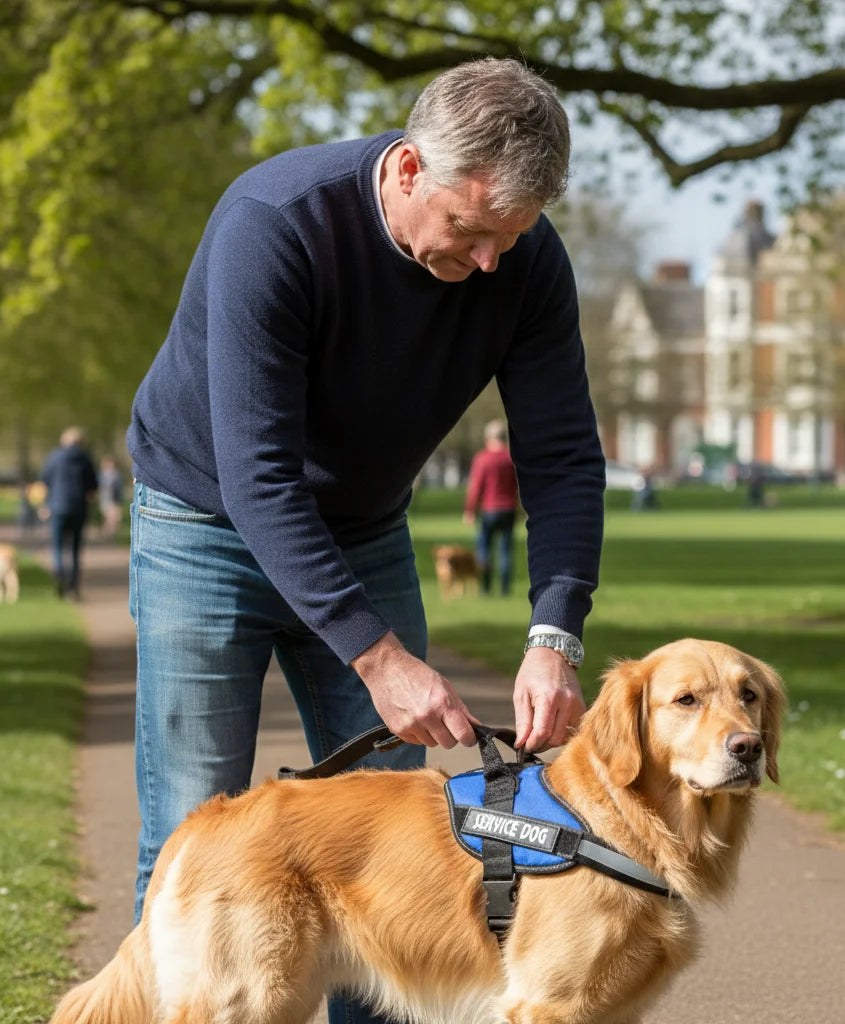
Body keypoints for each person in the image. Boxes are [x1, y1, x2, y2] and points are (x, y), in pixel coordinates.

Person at [126, 57, 604, 1024]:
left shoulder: (525, 262)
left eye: (510, 237)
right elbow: (260, 476)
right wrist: (378, 658)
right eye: (469, 230)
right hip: (203, 524)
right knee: (191, 828)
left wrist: (554, 635)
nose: (489, 264)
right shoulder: (276, 224)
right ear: (408, 169)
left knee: (390, 855)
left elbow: (561, 456)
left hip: (365, 527)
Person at [463, 418, 520, 595]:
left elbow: (476, 487)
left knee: (484, 549)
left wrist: (470, 510)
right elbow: (517, 486)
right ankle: (504, 589)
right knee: (505, 550)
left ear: (488, 438)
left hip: (489, 509)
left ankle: (486, 587)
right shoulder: (511, 458)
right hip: (508, 509)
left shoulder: (482, 459)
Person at [40, 427, 98, 598]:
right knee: (75, 548)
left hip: (57, 507)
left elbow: (45, 481)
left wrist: (45, 505)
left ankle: (59, 573)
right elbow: (93, 486)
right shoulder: (85, 459)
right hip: (78, 508)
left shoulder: (54, 457)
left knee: (58, 546)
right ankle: (73, 585)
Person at [97, 456, 123, 538]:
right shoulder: (102, 476)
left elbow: (119, 489)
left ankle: (111, 535)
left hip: (115, 500)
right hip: (106, 500)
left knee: (115, 519)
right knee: (109, 518)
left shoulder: (117, 475)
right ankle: (107, 534)